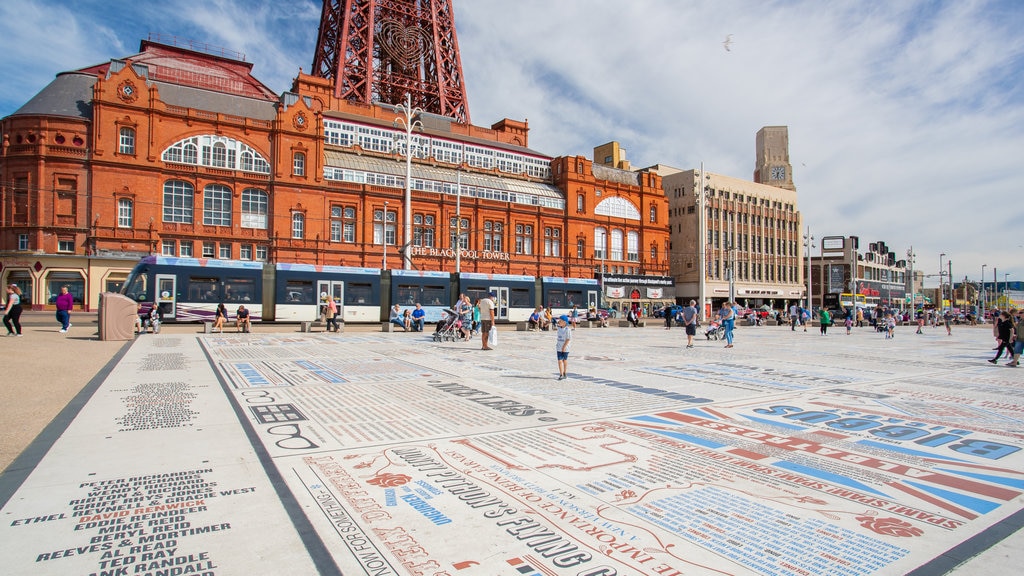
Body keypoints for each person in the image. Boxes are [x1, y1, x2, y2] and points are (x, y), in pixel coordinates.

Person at [555, 315, 572, 380]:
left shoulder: (568, 330)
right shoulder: (559, 328)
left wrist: (564, 347)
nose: (559, 321)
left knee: (564, 360)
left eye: (561, 321)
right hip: (559, 347)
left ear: (564, 322)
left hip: (565, 348)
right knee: (559, 360)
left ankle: (565, 372)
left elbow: (568, 339)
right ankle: (561, 374)